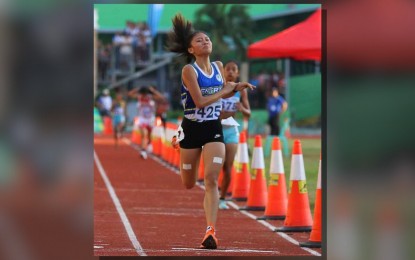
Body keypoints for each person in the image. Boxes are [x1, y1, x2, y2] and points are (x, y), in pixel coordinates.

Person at [167, 13, 255, 249]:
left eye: (207, 39)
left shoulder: (218, 67)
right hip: (191, 128)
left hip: (213, 128)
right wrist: (225, 91)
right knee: (188, 182)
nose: (205, 41)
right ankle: (178, 141)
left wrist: (237, 86)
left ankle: (210, 232)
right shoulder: (189, 71)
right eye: (199, 40)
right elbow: (199, 102)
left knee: (211, 179)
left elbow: (223, 92)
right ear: (191, 49)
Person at [218, 61, 251, 210]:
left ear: (237, 73)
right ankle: (212, 193)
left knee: (228, 167)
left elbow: (248, 113)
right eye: (228, 69)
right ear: (224, 72)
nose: (230, 72)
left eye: (234, 70)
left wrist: (241, 107)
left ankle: (222, 198)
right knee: (214, 166)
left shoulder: (241, 91)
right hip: (215, 130)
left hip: (231, 131)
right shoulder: (219, 88)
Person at [128, 86, 156, 159]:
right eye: (142, 94)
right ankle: (143, 151)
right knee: (144, 134)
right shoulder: (139, 97)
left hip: (150, 119)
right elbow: (129, 94)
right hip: (142, 119)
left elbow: (161, 98)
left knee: (149, 135)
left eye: (145, 94)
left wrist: (153, 91)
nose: (144, 95)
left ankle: (149, 143)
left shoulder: (151, 97)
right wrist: (137, 89)